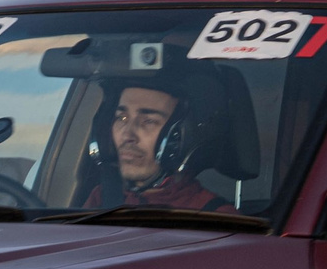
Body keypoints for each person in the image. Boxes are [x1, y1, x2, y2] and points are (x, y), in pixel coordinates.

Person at [80, 81, 235, 212]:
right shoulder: (101, 199)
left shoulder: (217, 219)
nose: (127, 136)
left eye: (148, 121)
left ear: (184, 136)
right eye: (122, 118)